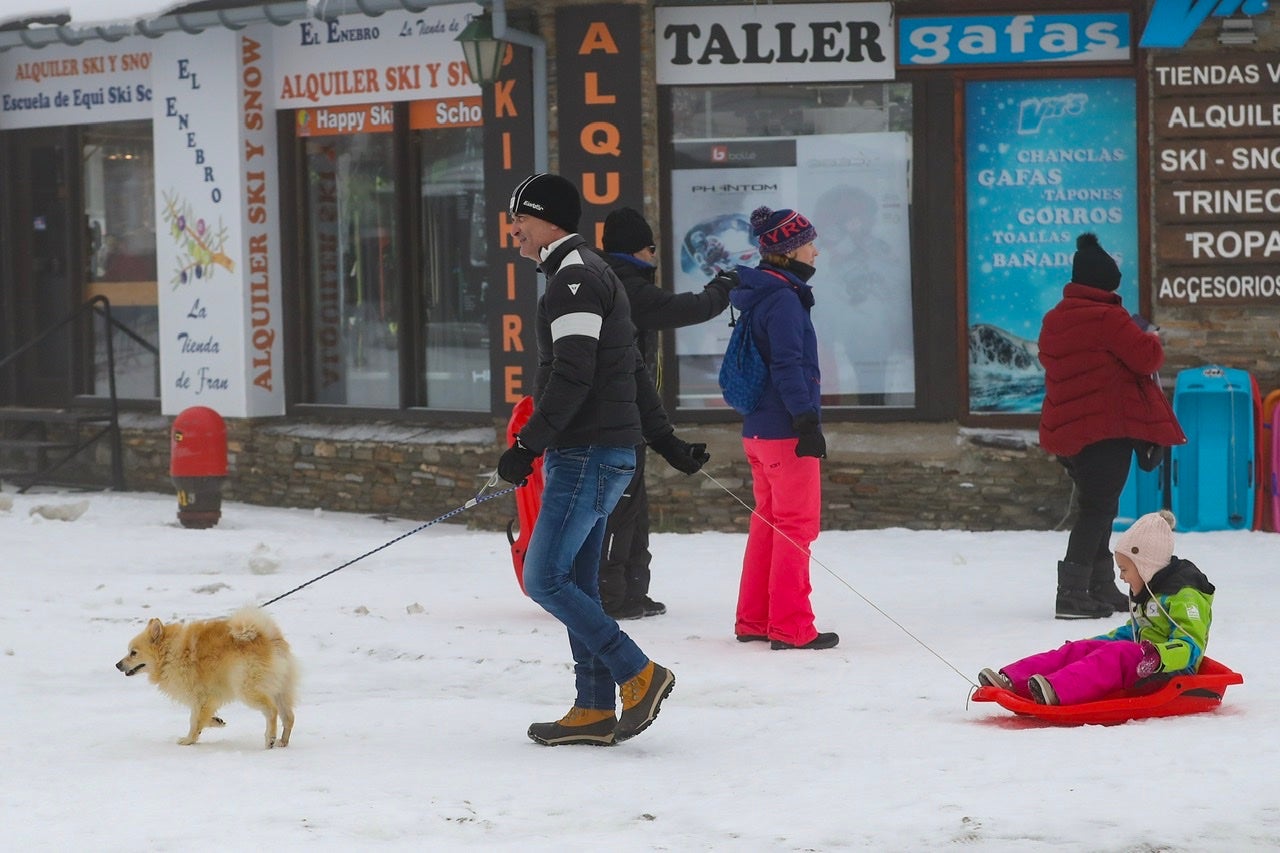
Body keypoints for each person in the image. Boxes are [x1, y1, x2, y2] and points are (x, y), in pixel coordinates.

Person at [496, 173, 710, 747]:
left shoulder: (572, 280)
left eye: (518, 216)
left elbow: (574, 373)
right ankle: (592, 707)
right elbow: (632, 371)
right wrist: (666, 442)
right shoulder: (592, 273)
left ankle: (637, 672)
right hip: (603, 452)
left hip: (586, 454)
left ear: (546, 220)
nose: (512, 228)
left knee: (544, 578)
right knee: (580, 585)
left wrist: (527, 445)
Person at [596, 206, 738, 621]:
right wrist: (724, 286)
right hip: (616, 418)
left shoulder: (622, 282)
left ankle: (634, 592)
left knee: (634, 509)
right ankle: (610, 595)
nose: (655, 255)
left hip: (633, 416)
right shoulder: (626, 288)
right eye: (651, 247)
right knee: (620, 509)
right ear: (637, 251)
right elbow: (686, 308)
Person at [1038, 233, 1185, 619]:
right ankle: (1070, 593)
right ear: (1105, 282)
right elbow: (1146, 358)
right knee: (1097, 510)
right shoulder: (1108, 317)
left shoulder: (1055, 317)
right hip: (1104, 429)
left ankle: (1099, 585)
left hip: (1068, 431)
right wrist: (1151, 337)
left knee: (1098, 506)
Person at [728, 205, 838, 651]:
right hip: (785, 432)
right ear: (790, 249)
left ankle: (754, 618)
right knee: (796, 527)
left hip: (758, 431)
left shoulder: (760, 295)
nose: (816, 252)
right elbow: (790, 367)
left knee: (768, 523)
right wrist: (807, 421)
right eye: (810, 243)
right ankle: (792, 627)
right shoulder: (785, 301)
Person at [978, 510, 1214, 705]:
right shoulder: (1149, 591)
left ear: (1146, 567)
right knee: (1082, 649)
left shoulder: (1184, 596)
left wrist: (1159, 656)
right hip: (1141, 660)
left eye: (1124, 569)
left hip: (1170, 670)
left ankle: (1057, 690)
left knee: (1119, 654)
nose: (1121, 577)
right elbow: (1133, 631)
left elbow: (1191, 644)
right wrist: (1092, 645)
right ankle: (1012, 679)